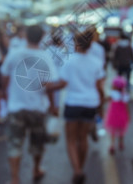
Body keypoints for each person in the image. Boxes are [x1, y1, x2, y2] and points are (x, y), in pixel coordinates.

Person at [0, 25, 58, 184]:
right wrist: (53, 106)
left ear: (25, 35)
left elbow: (4, 76)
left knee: (15, 144)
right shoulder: (45, 57)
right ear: (41, 38)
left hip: (16, 106)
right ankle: (36, 169)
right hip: (38, 107)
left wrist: (4, 94)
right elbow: (49, 86)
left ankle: (14, 179)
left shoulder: (14, 53)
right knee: (38, 142)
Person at [49, 29, 105, 184]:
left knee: (71, 140)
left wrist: (48, 87)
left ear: (77, 44)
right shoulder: (96, 62)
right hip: (90, 103)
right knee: (83, 139)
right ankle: (80, 166)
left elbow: (62, 84)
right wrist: (101, 106)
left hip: (73, 103)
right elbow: (99, 88)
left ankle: (77, 170)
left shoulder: (69, 62)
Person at [105, 75, 130, 155]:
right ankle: (121, 143)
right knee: (121, 131)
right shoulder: (124, 95)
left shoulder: (112, 94)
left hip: (113, 116)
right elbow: (127, 107)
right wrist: (128, 116)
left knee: (113, 131)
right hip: (122, 116)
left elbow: (106, 99)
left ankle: (112, 145)